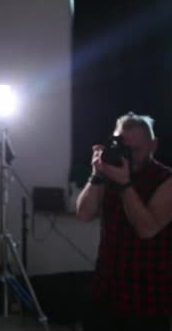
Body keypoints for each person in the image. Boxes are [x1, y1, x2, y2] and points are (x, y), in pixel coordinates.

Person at [76, 112, 172, 331]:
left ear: (153, 145)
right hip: (105, 286)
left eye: (136, 150)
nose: (129, 156)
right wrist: (96, 175)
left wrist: (125, 185)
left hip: (148, 293)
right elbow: (83, 214)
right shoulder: (109, 172)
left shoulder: (166, 179)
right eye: (123, 148)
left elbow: (147, 230)